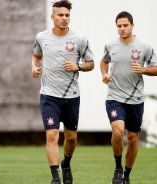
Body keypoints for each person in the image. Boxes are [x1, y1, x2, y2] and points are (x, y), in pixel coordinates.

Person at [32, 1, 94, 183]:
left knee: (71, 137)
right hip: (49, 95)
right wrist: (35, 67)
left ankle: (66, 164)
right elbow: (36, 55)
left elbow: (91, 63)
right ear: (53, 17)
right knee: (52, 135)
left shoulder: (80, 39)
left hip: (71, 96)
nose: (65, 18)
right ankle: (55, 178)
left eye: (67, 15)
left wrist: (78, 67)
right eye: (61, 15)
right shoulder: (42, 37)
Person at [100, 11, 157, 184]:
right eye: (119, 26)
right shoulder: (110, 45)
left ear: (132, 25)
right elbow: (104, 62)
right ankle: (118, 167)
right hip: (114, 96)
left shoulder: (144, 46)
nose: (122, 29)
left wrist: (143, 70)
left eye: (125, 25)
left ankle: (126, 175)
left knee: (133, 137)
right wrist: (104, 74)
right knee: (118, 131)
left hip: (135, 99)